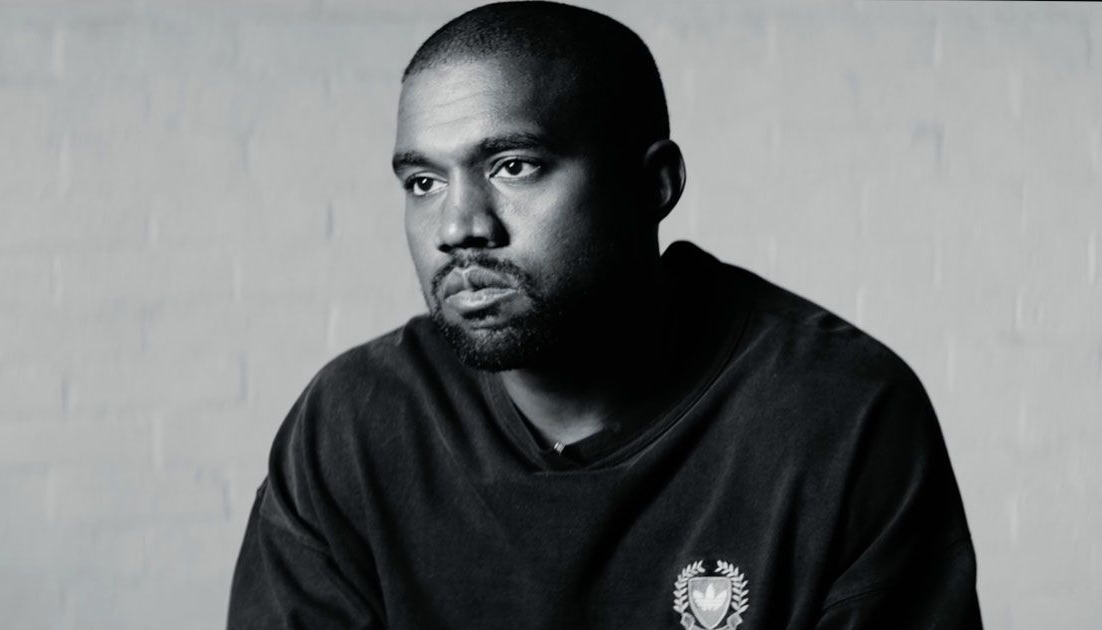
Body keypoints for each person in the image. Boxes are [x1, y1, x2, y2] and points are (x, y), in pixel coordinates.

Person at [227, 2, 983, 628]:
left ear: (654, 184)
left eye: (513, 166)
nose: (459, 227)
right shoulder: (353, 425)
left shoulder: (839, 417)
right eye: (423, 181)